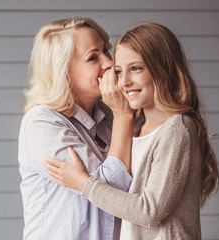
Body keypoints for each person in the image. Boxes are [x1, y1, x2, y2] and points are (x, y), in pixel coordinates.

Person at [43, 22, 219, 239]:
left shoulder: (176, 130)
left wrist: (84, 184)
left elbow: (149, 212)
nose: (124, 81)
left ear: (162, 69)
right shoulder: (137, 128)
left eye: (136, 68)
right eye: (119, 71)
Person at [18, 17, 134, 240]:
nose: (109, 63)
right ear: (64, 72)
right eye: (93, 57)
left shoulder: (109, 113)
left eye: (105, 50)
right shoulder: (41, 122)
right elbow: (112, 190)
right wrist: (123, 114)